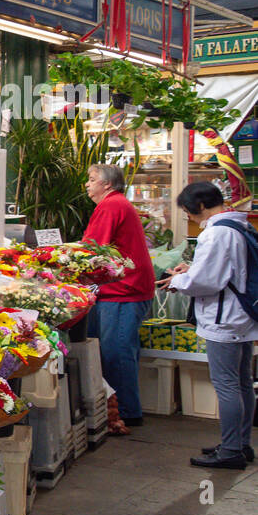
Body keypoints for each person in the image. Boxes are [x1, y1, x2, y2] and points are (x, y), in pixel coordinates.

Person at [162, 182, 258, 469]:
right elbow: (226, 270)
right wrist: (192, 269)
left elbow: (207, 281)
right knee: (242, 383)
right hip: (241, 316)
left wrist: (178, 281)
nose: (189, 217)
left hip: (224, 318)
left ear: (200, 206)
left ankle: (230, 451)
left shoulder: (216, 233)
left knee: (227, 385)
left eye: (188, 211)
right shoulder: (238, 226)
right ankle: (241, 445)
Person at [81, 164, 154, 430]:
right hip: (124, 288)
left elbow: (92, 247)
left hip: (124, 290)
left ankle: (126, 412)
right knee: (118, 350)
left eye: (91, 180)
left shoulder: (111, 205)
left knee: (117, 352)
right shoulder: (117, 203)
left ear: (108, 185)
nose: (87, 185)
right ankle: (120, 409)